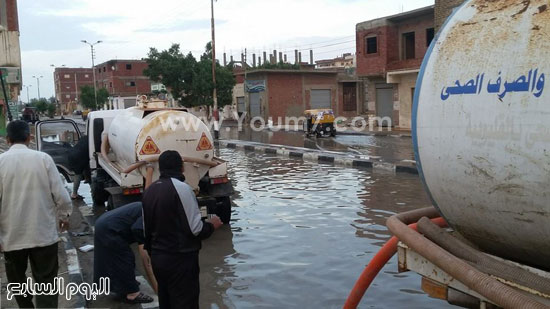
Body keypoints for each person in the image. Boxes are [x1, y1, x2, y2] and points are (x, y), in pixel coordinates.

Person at [0, 120, 72, 308]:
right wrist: (65, 217)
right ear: (29, 137)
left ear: (7, 140)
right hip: (43, 234)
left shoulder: (0, 163)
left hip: (11, 237)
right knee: (46, 281)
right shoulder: (43, 159)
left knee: (17, 281)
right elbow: (62, 196)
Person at [142, 150, 223, 309]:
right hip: (180, 260)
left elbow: (146, 232)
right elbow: (196, 229)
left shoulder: (149, 191)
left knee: (166, 302)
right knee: (185, 303)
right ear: (182, 168)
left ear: (161, 169)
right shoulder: (182, 189)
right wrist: (212, 225)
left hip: (159, 259)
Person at [93, 202, 156, 304]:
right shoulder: (150, 215)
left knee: (111, 259)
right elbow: (139, 233)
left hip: (105, 224)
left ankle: (122, 285)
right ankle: (132, 294)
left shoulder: (148, 206)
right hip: (109, 229)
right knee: (124, 259)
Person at [68, 135, 90, 200]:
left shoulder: (85, 136)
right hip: (78, 156)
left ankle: (87, 179)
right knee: (78, 175)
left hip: (72, 153)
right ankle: (74, 194)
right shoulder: (94, 138)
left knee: (81, 170)